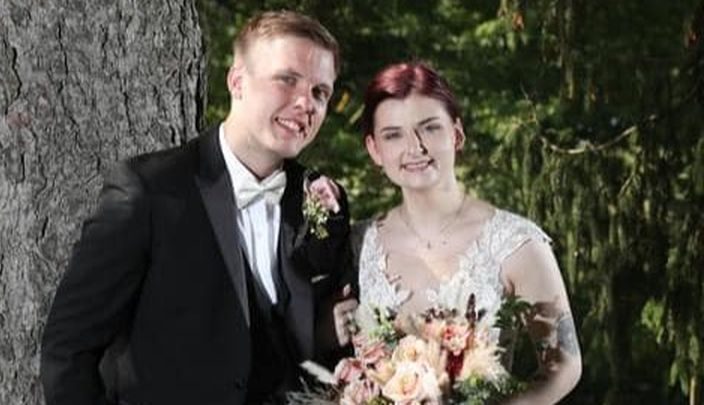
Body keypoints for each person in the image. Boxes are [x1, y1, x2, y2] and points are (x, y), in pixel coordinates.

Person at [40, 10, 350, 405]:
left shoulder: (323, 201)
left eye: (320, 92)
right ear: (237, 81)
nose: (306, 103)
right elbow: (68, 349)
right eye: (287, 80)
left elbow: (322, 347)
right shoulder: (150, 190)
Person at [332, 62, 581, 404]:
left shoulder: (517, 243)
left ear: (456, 134)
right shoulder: (354, 245)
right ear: (375, 149)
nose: (414, 147)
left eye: (429, 128)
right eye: (393, 135)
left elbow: (564, 365)